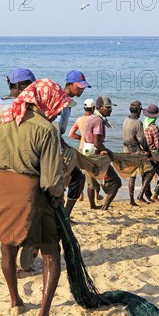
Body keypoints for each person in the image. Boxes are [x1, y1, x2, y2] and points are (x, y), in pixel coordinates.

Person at [0, 79, 71, 316]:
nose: (57, 111)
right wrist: (59, 194)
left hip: (0, 189)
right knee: (51, 252)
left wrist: (6, 170)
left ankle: (15, 302)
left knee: (7, 246)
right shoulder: (47, 129)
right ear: (45, 102)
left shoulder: (0, 119)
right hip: (32, 193)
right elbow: (51, 182)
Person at [58, 70, 90, 217]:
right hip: (54, 146)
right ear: (69, 84)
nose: (82, 90)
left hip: (58, 143)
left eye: (83, 87)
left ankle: (65, 215)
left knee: (75, 178)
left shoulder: (68, 102)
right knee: (76, 178)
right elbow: (54, 129)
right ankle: (64, 216)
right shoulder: (61, 102)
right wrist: (65, 146)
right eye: (79, 87)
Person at [83, 96, 122, 210]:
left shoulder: (91, 117)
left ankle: (92, 205)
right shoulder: (98, 121)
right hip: (95, 155)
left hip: (87, 153)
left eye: (111, 107)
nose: (110, 110)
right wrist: (110, 154)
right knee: (116, 182)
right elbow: (97, 143)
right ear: (100, 107)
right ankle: (104, 207)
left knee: (91, 182)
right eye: (108, 107)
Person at [122, 100, 149, 206]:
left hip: (126, 150)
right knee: (149, 171)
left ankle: (131, 199)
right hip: (135, 151)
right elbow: (142, 140)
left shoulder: (126, 120)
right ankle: (141, 195)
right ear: (138, 111)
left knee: (132, 176)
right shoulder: (137, 123)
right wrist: (147, 151)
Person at [142, 104, 159, 203]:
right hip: (153, 153)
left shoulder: (144, 124)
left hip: (144, 152)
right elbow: (157, 142)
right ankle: (155, 194)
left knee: (146, 174)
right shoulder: (153, 127)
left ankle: (147, 195)